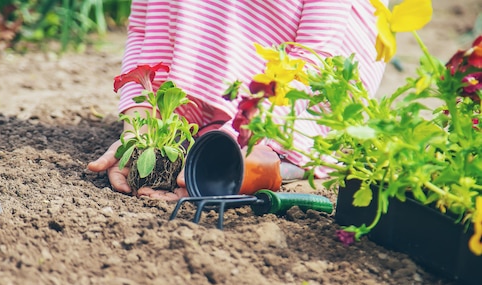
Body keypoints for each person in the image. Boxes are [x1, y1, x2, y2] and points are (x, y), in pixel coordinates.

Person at [88, 0, 388, 200]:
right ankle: (206, 121)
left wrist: (234, 144)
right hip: (215, 77)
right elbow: (147, 27)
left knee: (252, 154)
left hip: (307, 85)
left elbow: (315, 56)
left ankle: (278, 152)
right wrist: (142, 128)